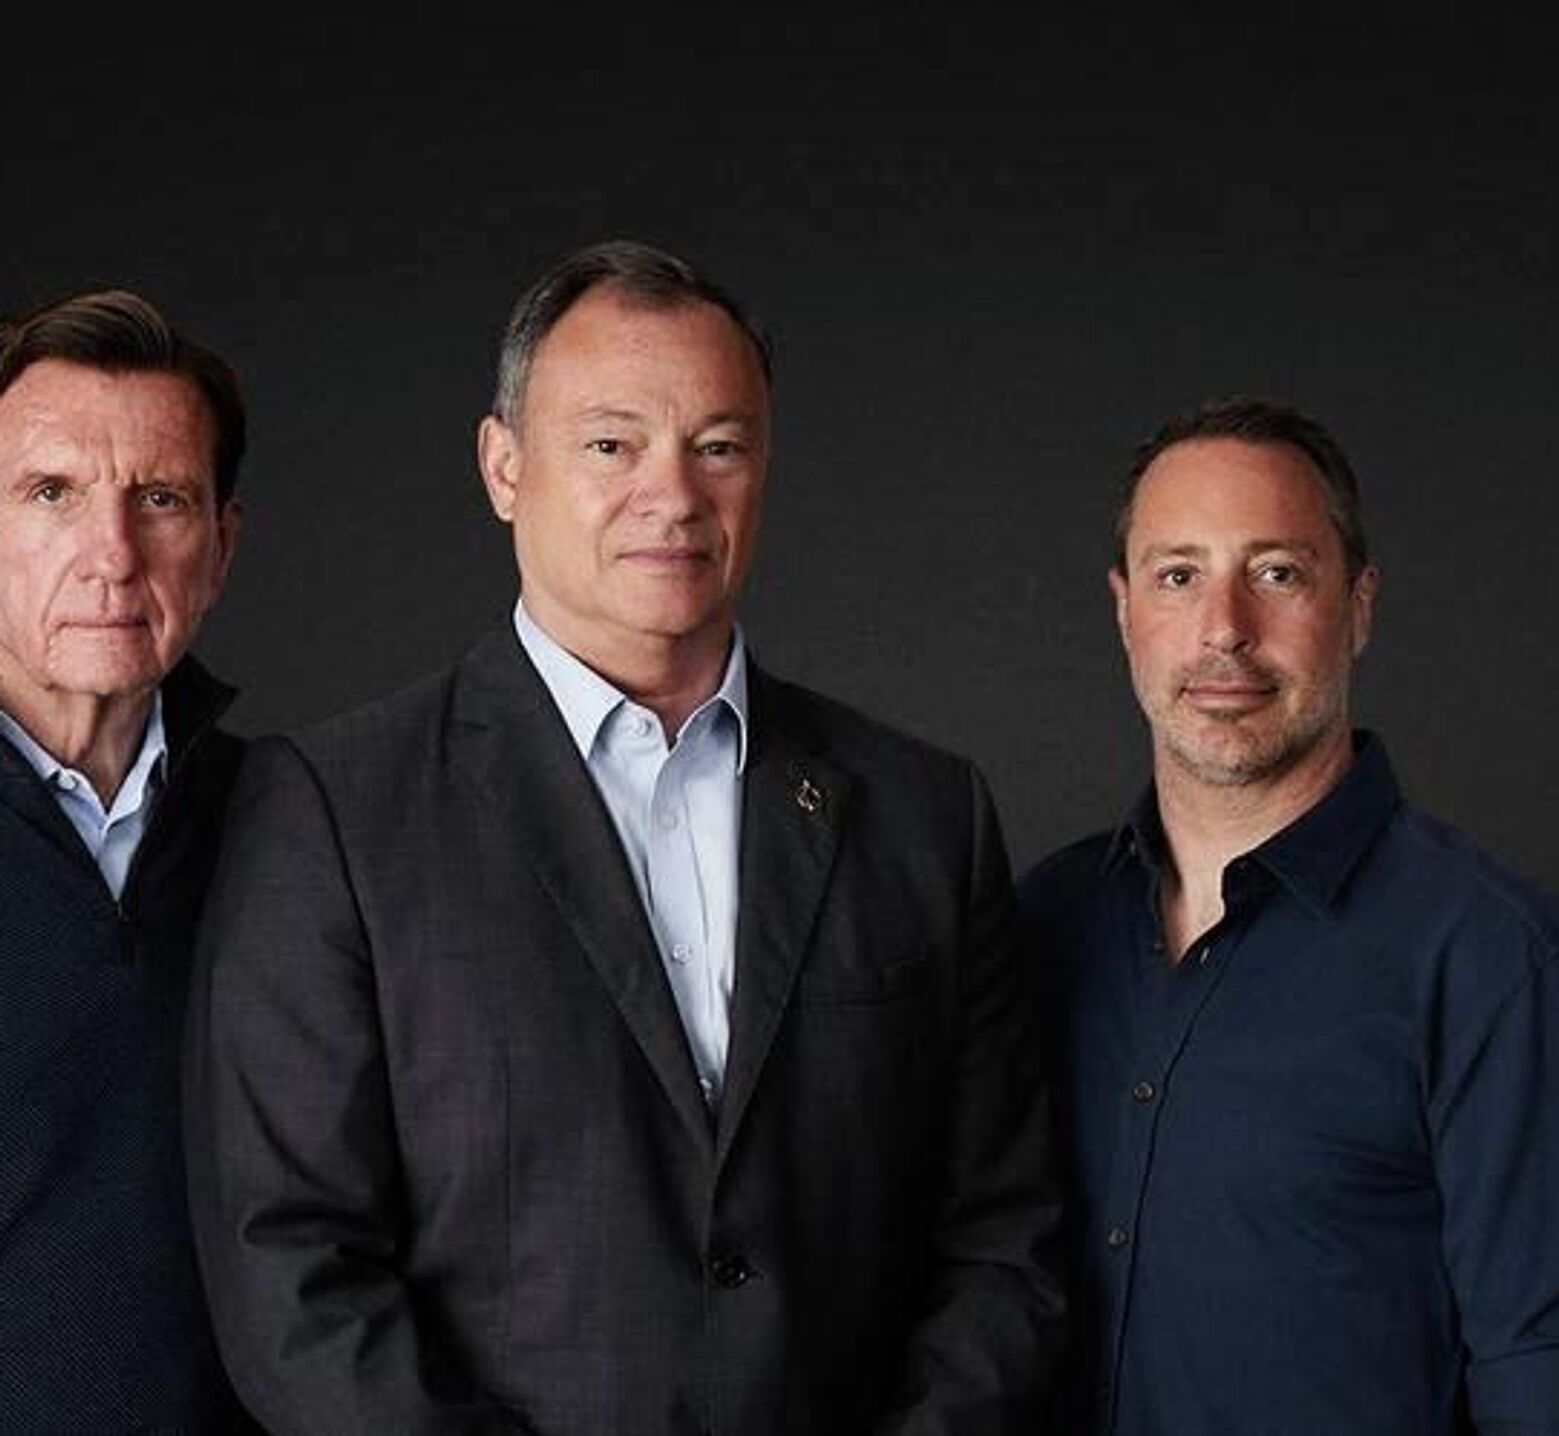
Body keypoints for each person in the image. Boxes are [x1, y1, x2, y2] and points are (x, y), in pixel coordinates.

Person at [183, 239, 1064, 1435]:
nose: (674, 494)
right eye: (611, 444)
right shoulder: (336, 808)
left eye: (719, 446)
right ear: (503, 466)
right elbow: (292, 1267)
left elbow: (1005, 1238)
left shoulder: (923, 813)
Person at [1018, 396, 1559, 1435]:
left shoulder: (1501, 963)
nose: (1224, 628)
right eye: (1179, 575)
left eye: (1277, 572)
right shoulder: (1042, 927)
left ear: (1358, 606)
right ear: (1124, 609)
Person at [0, 289, 251, 1430]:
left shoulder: (290, 826)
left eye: (161, 498)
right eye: (50, 493)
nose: (111, 555)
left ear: (221, 546)